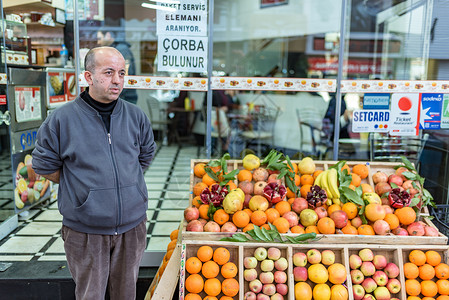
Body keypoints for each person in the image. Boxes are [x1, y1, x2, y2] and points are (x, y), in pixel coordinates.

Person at [31, 47, 157, 299]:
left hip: (132, 227)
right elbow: (44, 165)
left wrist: (123, 184)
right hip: (85, 230)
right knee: (90, 294)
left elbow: (145, 156)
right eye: (108, 72)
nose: (117, 80)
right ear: (88, 77)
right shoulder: (62, 120)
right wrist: (84, 190)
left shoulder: (136, 116)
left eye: (122, 73)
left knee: (126, 294)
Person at [97, 30, 138, 104]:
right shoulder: (116, 49)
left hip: (125, 97)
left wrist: (117, 93)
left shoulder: (121, 50)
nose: (98, 42)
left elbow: (126, 72)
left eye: (100, 38)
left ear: (108, 35)